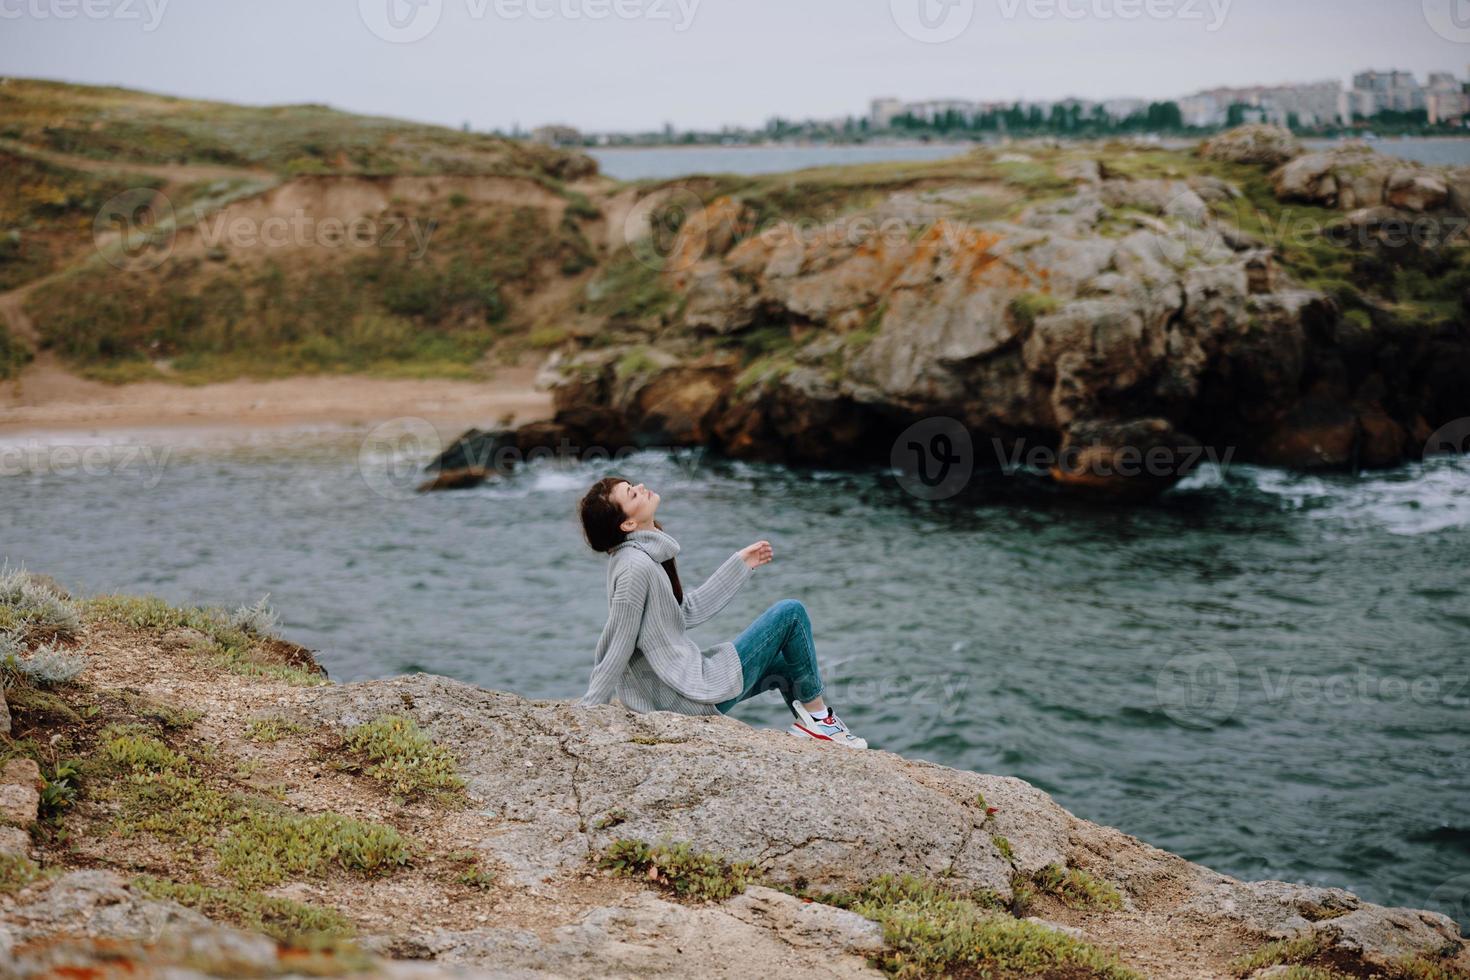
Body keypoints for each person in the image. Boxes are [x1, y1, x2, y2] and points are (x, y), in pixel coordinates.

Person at [574, 476, 867, 748]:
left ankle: (819, 732)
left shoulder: (643, 557)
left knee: (788, 666)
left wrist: (740, 564)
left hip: (682, 689)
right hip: (682, 699)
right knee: (790, 613)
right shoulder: (634, 566)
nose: (640, 486)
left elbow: (684, 612)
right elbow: (618, 643)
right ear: (627, 525)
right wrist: (590, 710)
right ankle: (819, 721)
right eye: (631, 493)